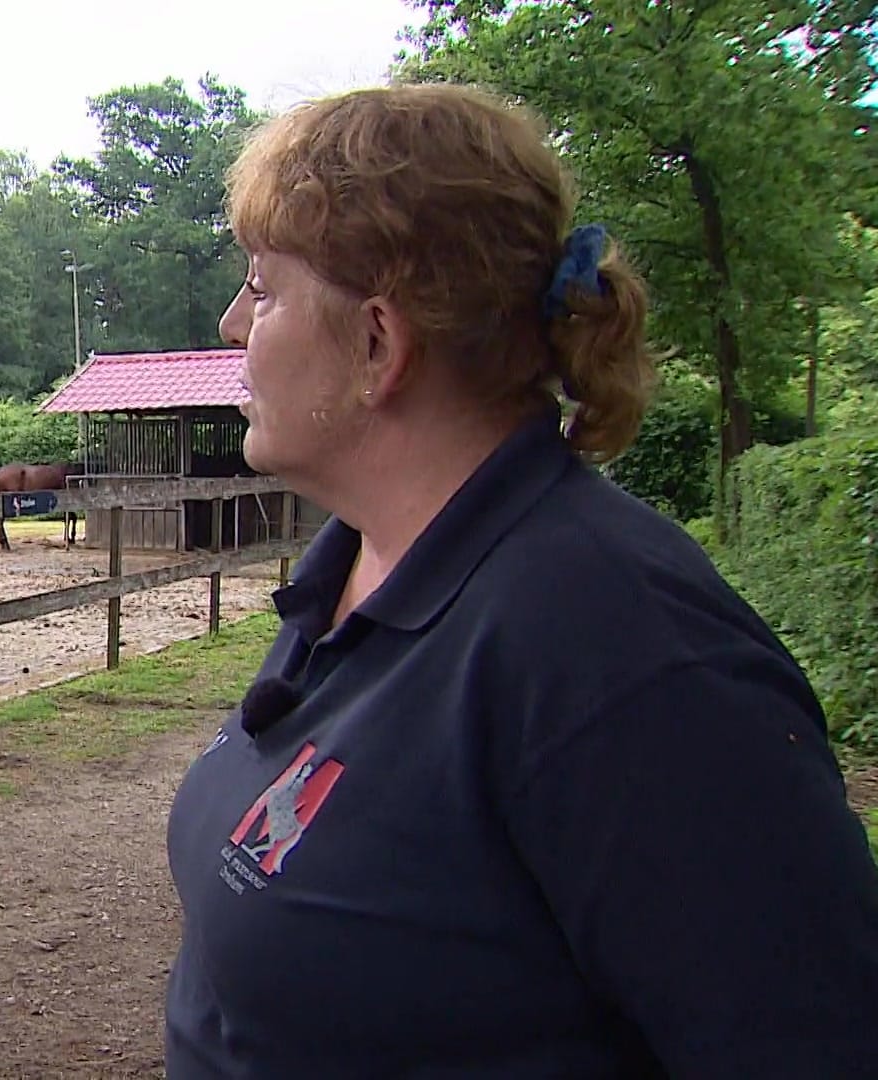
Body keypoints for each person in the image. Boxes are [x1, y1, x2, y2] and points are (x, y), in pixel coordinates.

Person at [163, 81, 878, 1078]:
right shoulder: (363, 572)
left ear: (377, 343)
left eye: (265, 287)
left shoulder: (626, 655)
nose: (236, 325)